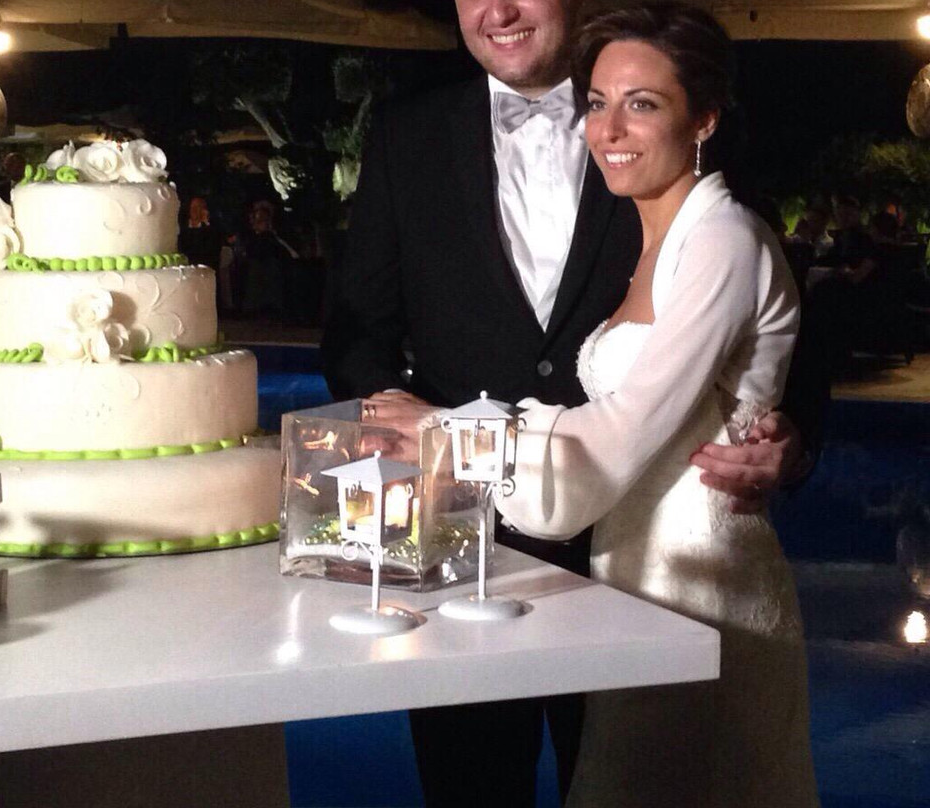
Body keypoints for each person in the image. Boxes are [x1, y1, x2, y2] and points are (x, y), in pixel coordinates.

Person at [321, 0, 825, 804]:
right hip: (465, 544)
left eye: (639, 105)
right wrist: (395, 450)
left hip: (651, 562)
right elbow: (356, 332)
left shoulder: (703, 196)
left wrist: (791, 437)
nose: (499, 10)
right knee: (471, 787)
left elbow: (780, 323)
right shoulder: (405, 135)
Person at [494, 4, 819, 805]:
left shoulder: (723, 240)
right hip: (634, 575)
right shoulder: (652, 236)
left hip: (706, 582)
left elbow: (618, 435)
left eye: (642, 103)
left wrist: (449, 436)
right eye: (597, 102)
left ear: (704, 118)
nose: (609, 128)